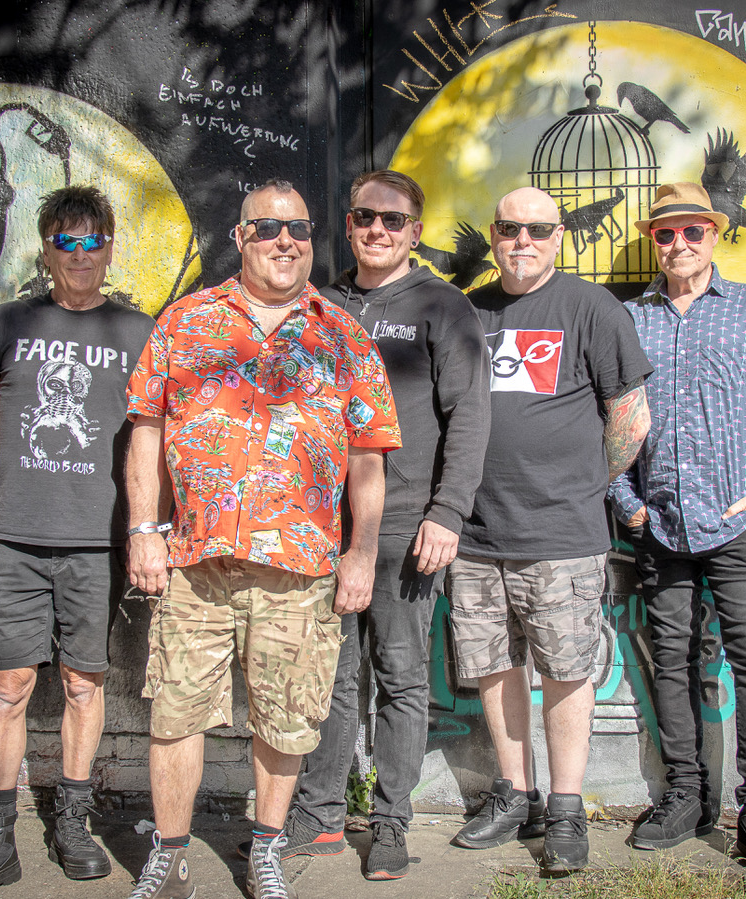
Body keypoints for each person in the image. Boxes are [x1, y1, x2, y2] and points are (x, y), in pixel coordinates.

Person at [122, 179, 402, 899]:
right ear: (240, 238)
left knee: (285, 718)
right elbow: (147, 429)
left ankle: (268, 850)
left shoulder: (343, 336)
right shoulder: (185, 321)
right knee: (176, 712)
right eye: (268, 228)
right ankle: (171, 856)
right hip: (196, 563)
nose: (285, 240)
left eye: (299, 229)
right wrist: (144, 530)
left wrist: (362, 552)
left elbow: (368, 459)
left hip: (299, 568)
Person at [273, 170, 490, 880]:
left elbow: (469, 416)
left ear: (415, 232)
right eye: (365, 216)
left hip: (405, 526)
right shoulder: (320, 303)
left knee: (399, 675)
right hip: (321, 527)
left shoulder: (442, 306)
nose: (377, 229)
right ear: (348, 224)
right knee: (331, 678)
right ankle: (320, 816)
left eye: (393, 220)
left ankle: (392, 822)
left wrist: (447, 511)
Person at [0, 186, 155, 899]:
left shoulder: (138, 332)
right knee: (7, 686)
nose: (81, 253)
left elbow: (154, 437)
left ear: (110, 248)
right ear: (46, 249)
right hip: (16, 539)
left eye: (93, 240)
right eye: (67, 240)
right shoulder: (9, 322)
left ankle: (72, 821)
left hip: (97, 542)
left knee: (83, 683)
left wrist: (149, 529)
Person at [609, 182, 746, 880]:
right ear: (653, 240)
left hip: (735, 523)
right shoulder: (629, 318)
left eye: (691, 231)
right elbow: (607, 416)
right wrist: (626, 501)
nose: (679, 244)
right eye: (665, 233)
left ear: (714, 235)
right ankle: (686, 795)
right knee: (672, 660)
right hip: (660, 523)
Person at [448, 186, 654, 873]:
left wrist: (586, 481)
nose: (522, 241)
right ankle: (516, 794)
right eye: (510, 228)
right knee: (493, 666)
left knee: (567, 671)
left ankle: (566, 807)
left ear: (559, 236)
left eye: (538, 230)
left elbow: (631, 417)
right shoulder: (471, 310)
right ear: (494, 233)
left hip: (562, 532)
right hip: (476, 533)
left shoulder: (591, 308)